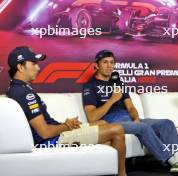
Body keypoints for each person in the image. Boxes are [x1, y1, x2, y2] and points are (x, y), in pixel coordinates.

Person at [6, 46, 127, 176]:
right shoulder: (23, 93)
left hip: (55, 134)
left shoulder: (18, 88)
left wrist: (66, 125)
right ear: (20, 67)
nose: (38, 67)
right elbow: (45, 133)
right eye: (34, 64)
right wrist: (66, 126)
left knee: (103, 124)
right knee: (117, 130)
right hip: (51, 141)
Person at [82, 49, 178, 175]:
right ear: (97, 65)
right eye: (105, 62)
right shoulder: (90, 86)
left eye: (112, 62)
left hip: (128, 119)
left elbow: (131, 107)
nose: (109, 66)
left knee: (166, 123)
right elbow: (92, 117)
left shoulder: (118, 83)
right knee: (143, 128)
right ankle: (171, 161)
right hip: (112, 123)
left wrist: (136, 118)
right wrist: (112, 100)